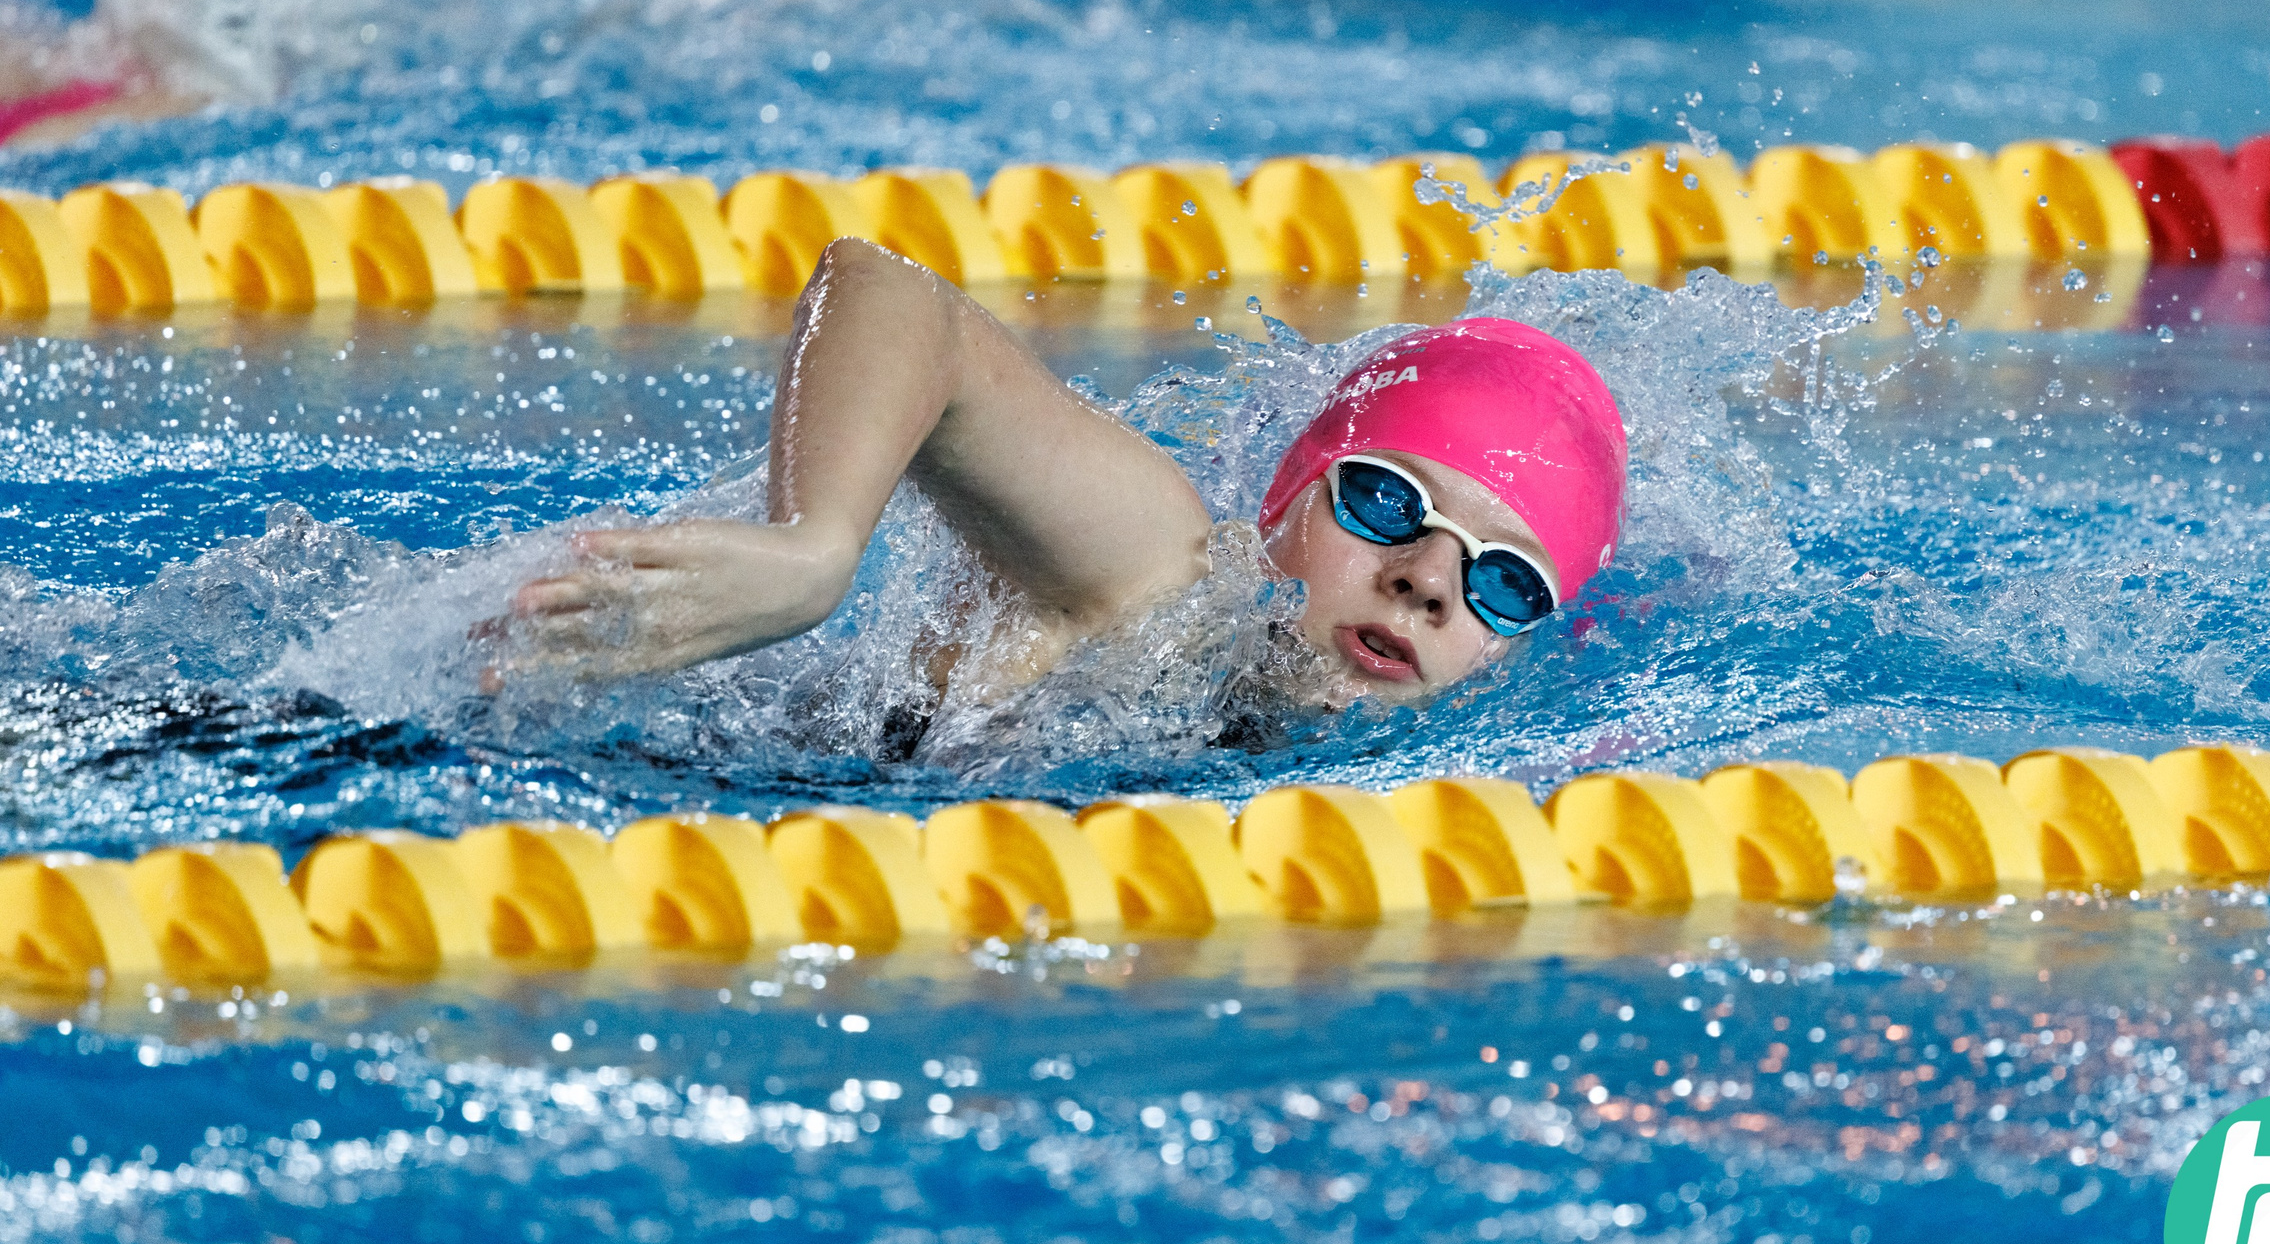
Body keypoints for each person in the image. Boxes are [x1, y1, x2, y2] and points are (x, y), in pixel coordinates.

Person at [503, 237, 1627, 709]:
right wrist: (814, 549)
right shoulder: (1167, 581)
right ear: (1285, 499)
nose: (1427, 578)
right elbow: (891, 291)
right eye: (1387, 501)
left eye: (1503, 584)